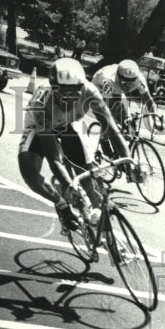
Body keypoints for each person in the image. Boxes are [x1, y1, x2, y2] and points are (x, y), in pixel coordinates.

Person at [18, 57, 135, 231]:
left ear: (82, 87)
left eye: (75, 93)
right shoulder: (42, 103)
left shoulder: (90, 91)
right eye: (64, 94)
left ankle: (102, 225)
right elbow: (53, 157)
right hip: (40, 125)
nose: (70, 98)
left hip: (68, 124)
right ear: (54, 89)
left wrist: (129, 161)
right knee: (29, 172)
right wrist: (69, 185)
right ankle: (62, 204)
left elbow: (111, 129)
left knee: (87, 172)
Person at [91, 59, 165, 144]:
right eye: (125, 84)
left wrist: (155, 120)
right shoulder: (108, 78)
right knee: (111, 124)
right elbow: (107, 108)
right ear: (119, 78)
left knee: (128, 122)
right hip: (98, 90)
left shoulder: (139, 79)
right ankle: (104, 140)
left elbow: (149, 100)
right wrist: (115, 124)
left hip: (116, 91)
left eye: (132, 84)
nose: (128, 87)